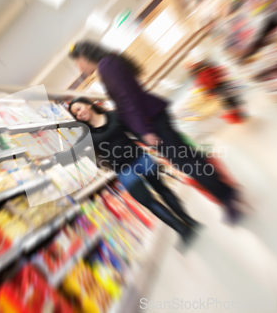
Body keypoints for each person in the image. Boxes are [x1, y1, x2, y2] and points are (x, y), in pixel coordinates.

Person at [69, 41, 241, 223]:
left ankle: (226, 197)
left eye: (76, 63)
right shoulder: (109, 63)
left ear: (83, 57)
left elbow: (128, 100)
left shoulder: (106, 66)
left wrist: (144, 130)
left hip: (152, 122)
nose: (78, 68)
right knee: (190, 158)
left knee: (188, 163)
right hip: (153, 117)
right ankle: (227, 191)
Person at [68, 97, 199, 243]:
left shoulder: (113, 115)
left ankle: (188, 220)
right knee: (146, 200)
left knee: (162, 189)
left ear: (88, 104)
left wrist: (153, 143)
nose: (78, 114)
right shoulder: (86, 135)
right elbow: (77, 153)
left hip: (140, 158)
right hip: (123, 170)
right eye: (75, 114)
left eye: (79, 109)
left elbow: (134, 130)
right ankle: (182, 229)